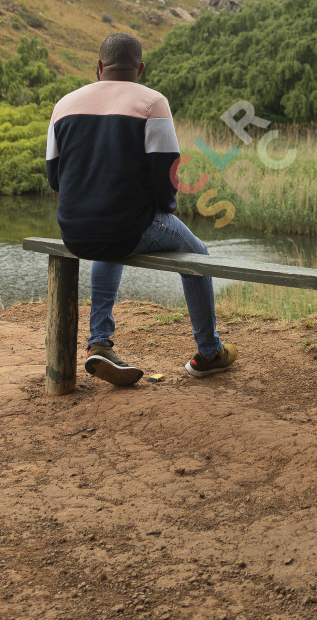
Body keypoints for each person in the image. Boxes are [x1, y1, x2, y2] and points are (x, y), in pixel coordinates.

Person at [45, 32, 237, 384]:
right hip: (129, 228)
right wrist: (164, 210)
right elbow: (168, 173)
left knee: (110, 241)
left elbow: (54, 178)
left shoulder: (65, 105)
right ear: (141, 69)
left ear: (99, 66)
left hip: (74, 231)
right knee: (199, 255)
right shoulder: (152, 103)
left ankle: (99, 342)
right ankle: (209, 353)